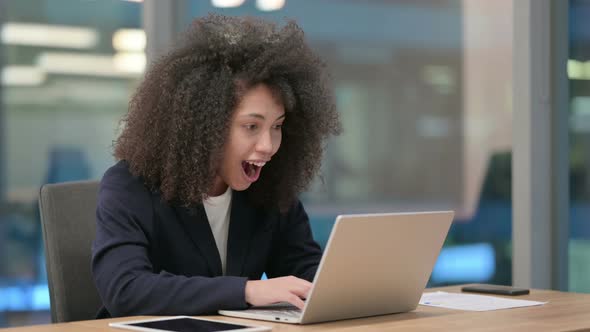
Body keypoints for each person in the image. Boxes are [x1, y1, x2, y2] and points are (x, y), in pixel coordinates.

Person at [91, 14, 341, 318]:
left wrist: (348, 286)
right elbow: (125, 289)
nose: (269, 145)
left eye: (277, 126)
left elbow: (303, 272)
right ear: (204, 127)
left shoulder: (270, 188)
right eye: (251, 126)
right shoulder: (129, 186)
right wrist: (247, 290)